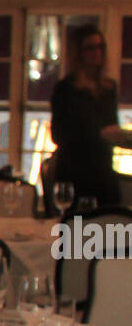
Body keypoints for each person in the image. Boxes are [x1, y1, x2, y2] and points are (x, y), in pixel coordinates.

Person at [50, 24, 126, 209]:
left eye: (101, 47)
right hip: (75, 170)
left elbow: (112, 125)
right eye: (91, 48)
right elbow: (58, 134)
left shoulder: (108, 88)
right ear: (79, 53)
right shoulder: (66, 90)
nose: (97, 52)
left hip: (103, 170)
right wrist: (97, 134)